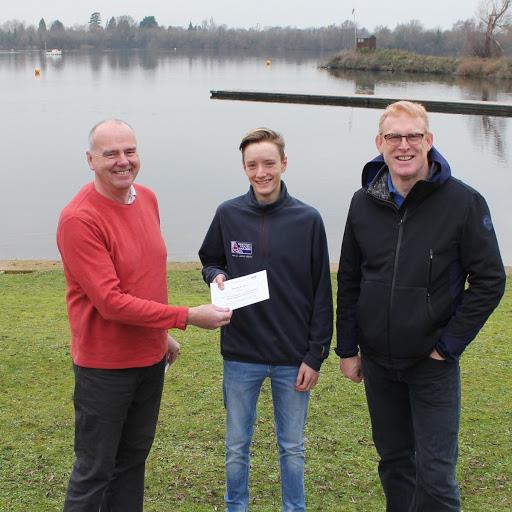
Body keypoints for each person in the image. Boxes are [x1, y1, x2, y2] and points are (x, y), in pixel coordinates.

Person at [336, 101, 506, 511]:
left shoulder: (464, 203)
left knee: (435, 477)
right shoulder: (363, 203)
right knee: (395, 465)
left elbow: (490, 280)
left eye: (413, 136)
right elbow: (350, 279)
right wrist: (347, 348)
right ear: (380, 143)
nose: (404, 145)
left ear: (429, 141)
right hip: (378, 362)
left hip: (432, 365)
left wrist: (447, 346)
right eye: (394, 137)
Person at [57, 119, 232, 512]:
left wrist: (159, 335)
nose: (123, 161)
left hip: (149, 360)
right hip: (105, 368)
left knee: (132, 463)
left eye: (130, 151)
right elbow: (111, 302)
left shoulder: (147, 198)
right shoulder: (79, 219)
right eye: (111, 153)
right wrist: (184, 316)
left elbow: (143, 278)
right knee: (95, 470)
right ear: (90, 160)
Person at [199, 128, 333, 511]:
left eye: (269, 163)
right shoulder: (228, 214)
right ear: (244, 168)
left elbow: (322, 294)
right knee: (236, 446)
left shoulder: (308, 219)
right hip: (241, 355)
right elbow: (211, 260)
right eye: (252, 165)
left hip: (293, 359)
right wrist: (215, 276)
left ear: (284, 164)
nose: (261, 172)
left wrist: (315, 356)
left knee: (292, 448)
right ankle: (235, 507)